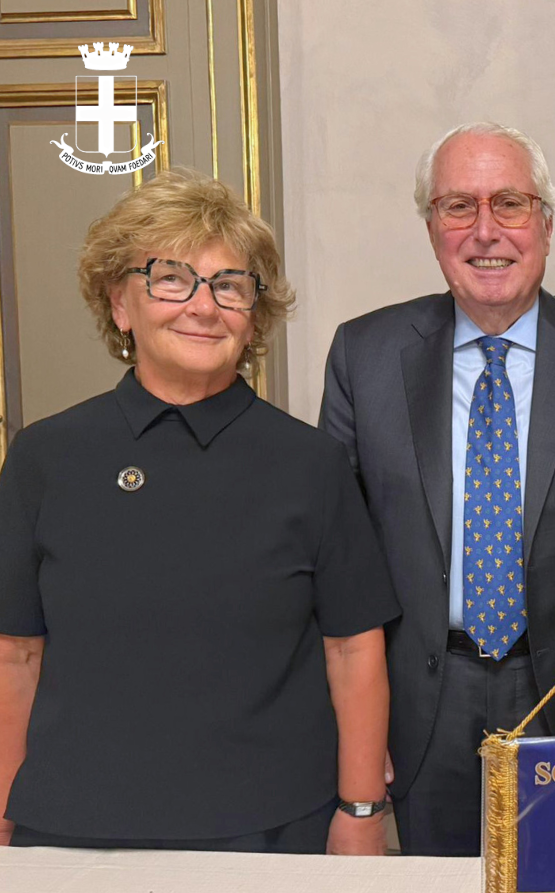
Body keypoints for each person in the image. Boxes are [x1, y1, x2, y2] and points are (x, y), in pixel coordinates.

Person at [0, 171, 399, 854]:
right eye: (171, 279)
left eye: (229, 285)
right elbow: (16, 655)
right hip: (72, 829)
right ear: (120, 303)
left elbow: (353, 649)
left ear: (254, 314)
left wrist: (362, 812)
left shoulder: (312, 464)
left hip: (273, 830)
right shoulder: (44, 457)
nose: (203, 306)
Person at [319, 122, 555, 857]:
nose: (485, 231)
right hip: (418, 702)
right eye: (457, 206)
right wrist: (357, 739)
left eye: (509, 203)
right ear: (430, 227)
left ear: (546, 223)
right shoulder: (364, 355)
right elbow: (338, 559)